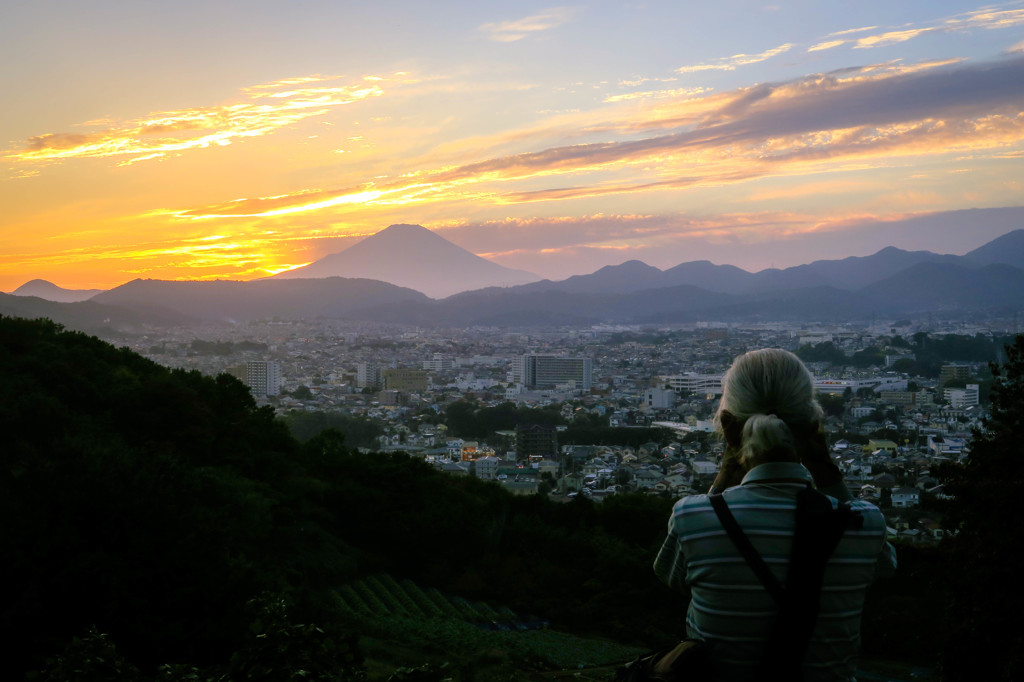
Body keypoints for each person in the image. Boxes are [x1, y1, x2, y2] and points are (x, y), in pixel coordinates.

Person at [654, 349, 896, 682]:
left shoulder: (692, 519)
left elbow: (672, 578)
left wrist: (726, 472)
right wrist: (826, 470)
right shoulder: (864, 524)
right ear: (813, 428)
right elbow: (884, 569)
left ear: (727, 428)